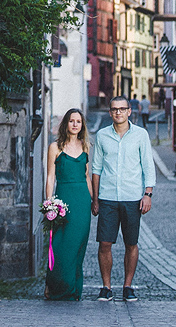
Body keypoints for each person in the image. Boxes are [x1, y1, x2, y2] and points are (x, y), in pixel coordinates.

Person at [90, 95, 156, 302]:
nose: (118, 112)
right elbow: (96, 169)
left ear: (129, 111)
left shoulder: (140, 135)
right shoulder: (101, 136)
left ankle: (128, 286)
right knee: (104, 243)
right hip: (108, 196)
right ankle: (106, 287)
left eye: (122, 109)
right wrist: (95, 199)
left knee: (131, 243)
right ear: (110, 113)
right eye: (114, 109)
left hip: (132, 197)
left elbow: (148, 166)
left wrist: (147, 194)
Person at [44, 108, 93, 301]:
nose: (75, 124)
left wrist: (94, 200)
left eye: (78, 121)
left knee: (77, 246)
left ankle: (73, 289)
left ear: (82, 125)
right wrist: (49, 204)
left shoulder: (86, 146)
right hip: (63, 199)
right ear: (66, 123)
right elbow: (50, 177)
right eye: (71, 121)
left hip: (82, 201)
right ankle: (55, 287)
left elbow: (87, 176)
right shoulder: (55, 147)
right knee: (60, 245)